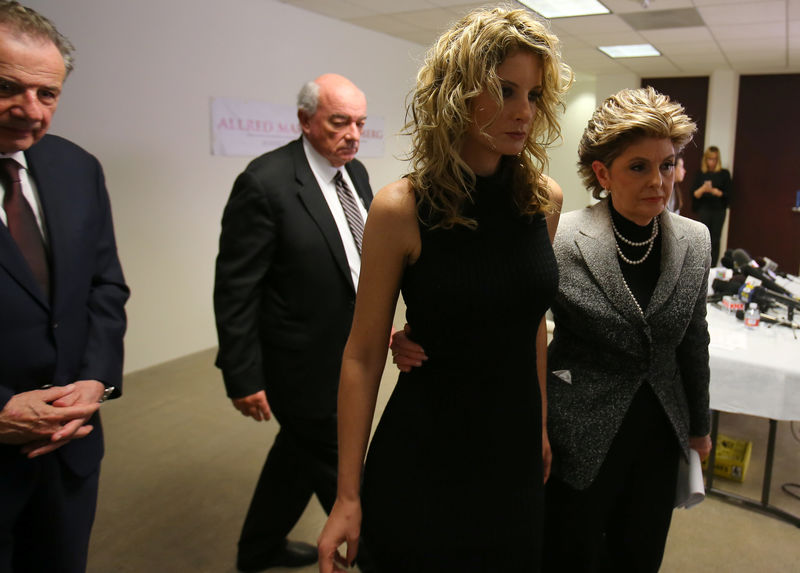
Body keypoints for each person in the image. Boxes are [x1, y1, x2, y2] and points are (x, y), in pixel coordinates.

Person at [317, 7, 571, 572]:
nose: (522, 112)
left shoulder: (543, 201)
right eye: (504, 90)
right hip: (426, 453)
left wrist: (540, 425)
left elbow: (529, 323)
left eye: (532, 94)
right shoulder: (401, 209)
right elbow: (361, 356)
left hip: (513, 454)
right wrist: (347, 495)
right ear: (457, 94)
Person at [541, 87, 712, 572]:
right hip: (577, 429)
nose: (659, 181)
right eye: (639, 166)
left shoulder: (695, 241)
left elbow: (693, 340)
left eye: (668, 164)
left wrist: (699, 427)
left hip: (659, 432)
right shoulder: (563, 237)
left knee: (639, 554)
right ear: (602, 172)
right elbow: (514, 324)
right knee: (569, 553)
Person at [213, 73, 372, 572]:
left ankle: (257, 549)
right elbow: (237, 289)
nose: (352, 135)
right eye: (339, 122)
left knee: (293, 454)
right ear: (305, 121)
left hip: (348, 349)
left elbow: (355, 262)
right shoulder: (265, 183)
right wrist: (243, 375)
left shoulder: (357, 174)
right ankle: (380, 555)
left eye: (360, 124)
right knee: (340, 466)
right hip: (298, 363)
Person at [0, 2, 129, 571]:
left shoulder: (77, 167)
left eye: (47, 94)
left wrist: (95, 381)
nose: (31, 111)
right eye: (8, 88)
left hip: (70, 447)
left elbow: (105, 288)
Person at [692, 145, 731, 265]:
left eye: (714, 159)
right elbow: (694, 194)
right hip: (704, 209)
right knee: (703, 239)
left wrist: (715, 191)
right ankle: (701, 263)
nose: (712, 162)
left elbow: (728, 194)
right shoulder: (700, 174)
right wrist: (704, 189)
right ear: (705, 159)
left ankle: (712, 265)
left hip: (718, 210)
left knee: (715, 239)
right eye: (710, 159)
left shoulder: (724, 174)